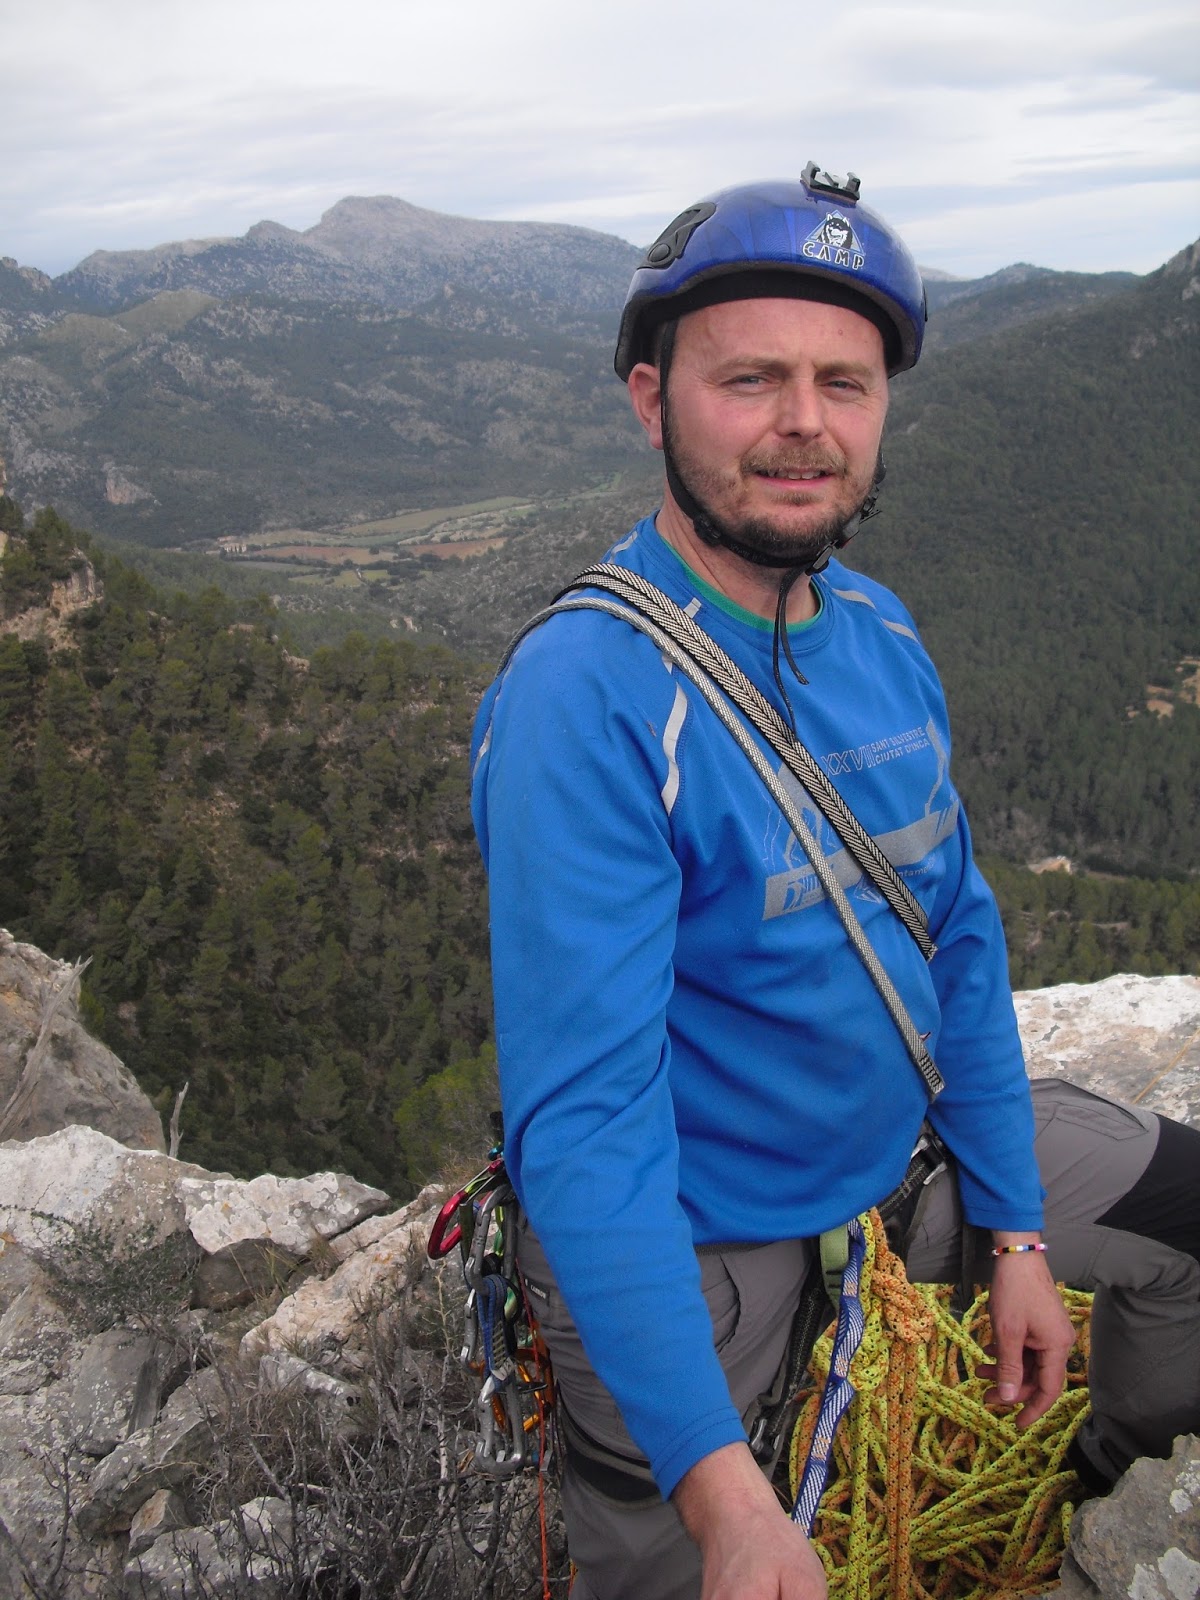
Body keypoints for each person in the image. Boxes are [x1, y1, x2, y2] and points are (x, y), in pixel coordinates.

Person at [468, 167, 1200, 1600]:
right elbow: (591, 1124)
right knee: (678, 1566)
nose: (805, 421)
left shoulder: (876, 630)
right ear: (651, 400)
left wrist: (1018, 1229)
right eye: (751, 378)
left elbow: (956, 933)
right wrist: (722, 1493)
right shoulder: (586, 698)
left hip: (900, 1165)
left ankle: (1107, 1507)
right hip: (703, 1241)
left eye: (844, 383)